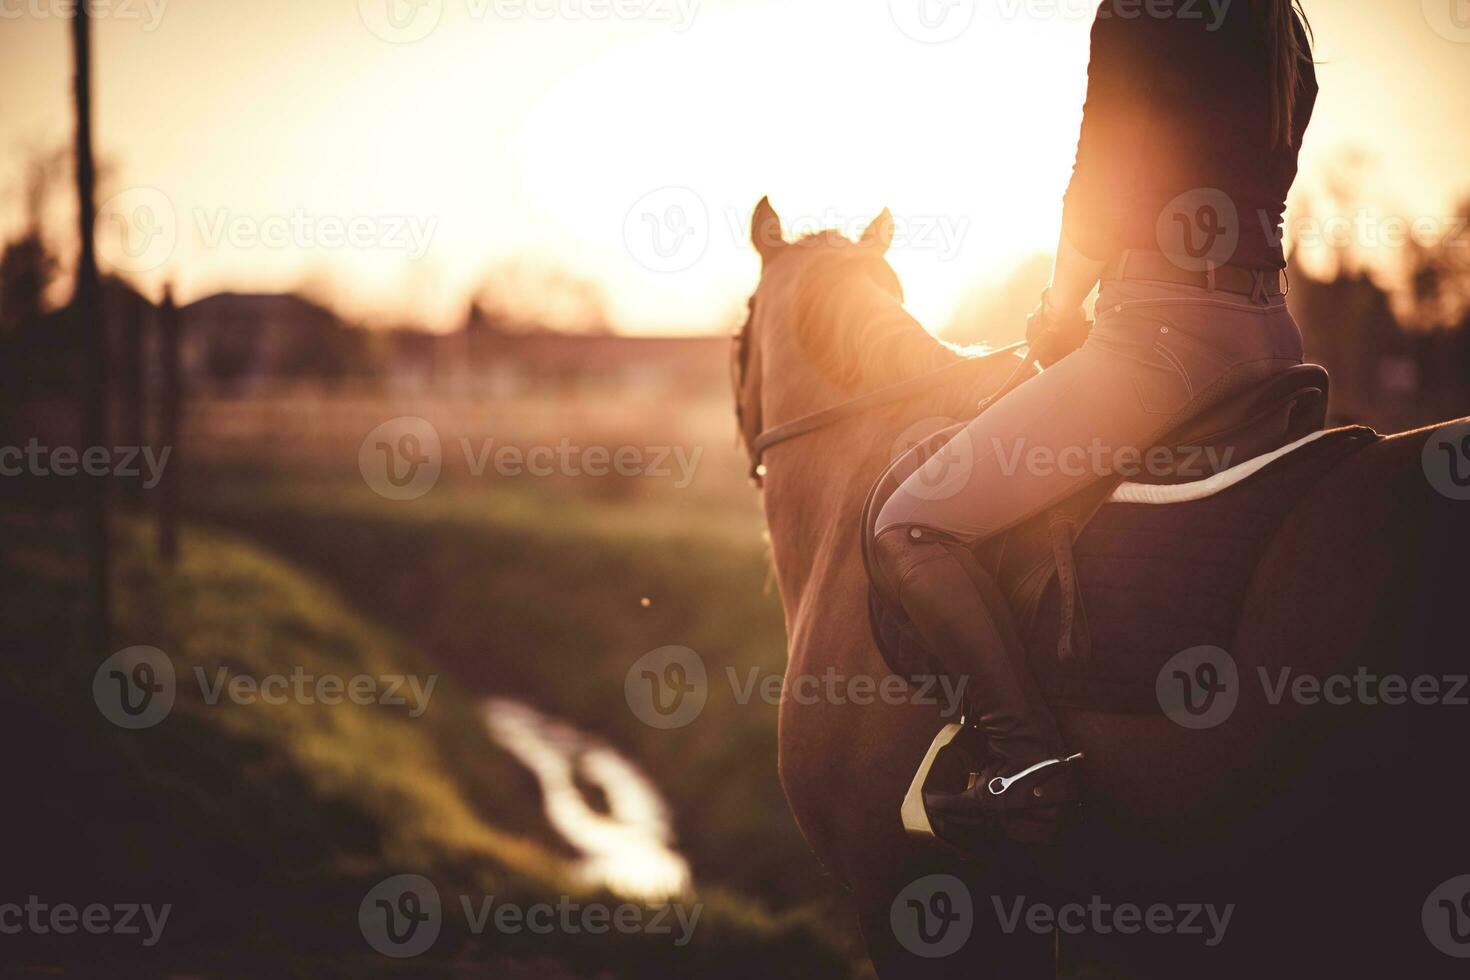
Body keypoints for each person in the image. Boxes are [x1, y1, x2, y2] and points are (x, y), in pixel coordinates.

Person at [872, 0, 1318, 844]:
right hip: (1272, 339)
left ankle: (1027, 760)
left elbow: (1101, 179)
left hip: (1159, 339)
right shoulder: (1282, 28)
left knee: (911, 524)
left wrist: (1057, 308)